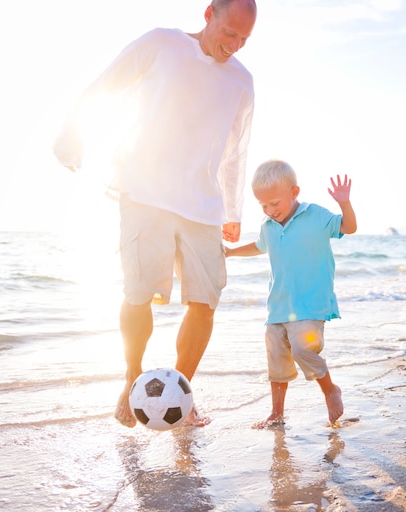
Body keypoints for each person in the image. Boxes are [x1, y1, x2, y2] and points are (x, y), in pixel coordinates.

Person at [53, 0, 257, 428]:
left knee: (205, 303)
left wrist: (233, 210)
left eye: (244, 39)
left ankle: (180, 393)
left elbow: (235, 150)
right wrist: (73, 132)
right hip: (145, 191)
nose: (235, 45)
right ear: (209, 15)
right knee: (138, 293)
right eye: (230, 33)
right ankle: (132, 382)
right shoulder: (162, 43)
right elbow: (107, 84)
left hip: (202, 204)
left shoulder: (241, 80)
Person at [225, 159, 357, 427]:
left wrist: (344, 203)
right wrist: (231, 252)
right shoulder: (268, 226)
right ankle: (277, 413)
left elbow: (348, 227)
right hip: (277, 307)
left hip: (311, 304)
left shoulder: (316, 216)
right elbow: (259, 246)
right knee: (277, 362)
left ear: (294, 193)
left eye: (275, 203)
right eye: (263, 205)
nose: (270, 210)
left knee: (302, 348)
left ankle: (330, 389)